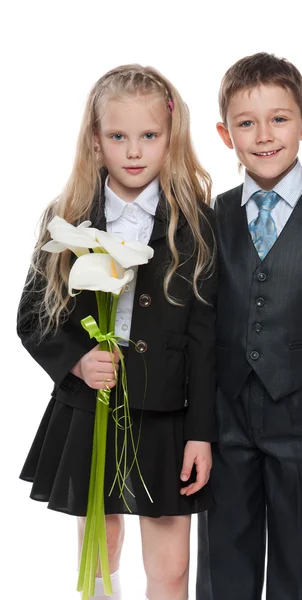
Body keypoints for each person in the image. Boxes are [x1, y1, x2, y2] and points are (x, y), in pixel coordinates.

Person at [17, 63, 217, 600]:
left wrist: (201, 431)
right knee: (98, 547)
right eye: (118, 136)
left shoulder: (196, 222)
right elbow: (33, 317)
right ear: (95, 141)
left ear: (170, 138)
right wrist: (79, 359)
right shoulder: (68, 217)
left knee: (172, 565)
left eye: (149, 135)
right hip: (94, 403)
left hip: (168, 412)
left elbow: (205, 337)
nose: (134, 151)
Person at [197, 52, 302, 600]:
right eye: (246, 123)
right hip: (226, 422)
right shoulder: (211, 217)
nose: (264, 135)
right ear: (226, 134)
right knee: (223, 566)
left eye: (279, 118)